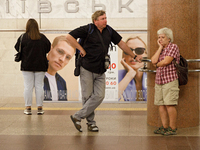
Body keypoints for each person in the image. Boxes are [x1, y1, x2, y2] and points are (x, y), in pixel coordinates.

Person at [66, 10, 142, 132]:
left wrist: (133, 55)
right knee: (87, 96)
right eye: (102, 19)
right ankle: (91, 123)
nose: (105, 20)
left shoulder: (109, 31)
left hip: (101, 69)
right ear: (95, 21)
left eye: (106, 18)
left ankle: (77, 116)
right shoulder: (88, 29)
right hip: (87, 68)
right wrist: (80, 49)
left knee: (99, 96)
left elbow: (121, 44)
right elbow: (69, 37)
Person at [14, 18, 51, 115]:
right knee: (39, 86)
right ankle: (40, 108)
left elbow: (17, 48)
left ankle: (28, 108)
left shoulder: (23, 37)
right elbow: (48, 48)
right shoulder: (42, 37)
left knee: (27, 87)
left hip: (27, 65)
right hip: (41, 65)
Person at [151, 27, 180, 136]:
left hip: (170, 80)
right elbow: (153, 60)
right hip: (159, 80)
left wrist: (157, 65)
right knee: (161, 105)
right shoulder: (161, 49)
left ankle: (172, 128)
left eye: (163, 37)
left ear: (169, 38)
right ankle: (164, 127)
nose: (160, 39)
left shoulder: (173, 47)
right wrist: (159, 48)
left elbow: (166, 62)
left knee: (169, 104)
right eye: (159, 37)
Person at [44, 36, 75, 101]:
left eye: (67, 57)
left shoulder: (62, 82)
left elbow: (62, 109)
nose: (62, 59)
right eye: (60, 52)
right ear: (50, 49)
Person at [118, 36, 147, 101]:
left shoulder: (154, 76)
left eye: (139, 50)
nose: (133, 55)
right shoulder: (116, 76)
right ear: (123, 55)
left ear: (146, 55)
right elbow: (110, 100)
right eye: (128, 51)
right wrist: (130, 75)